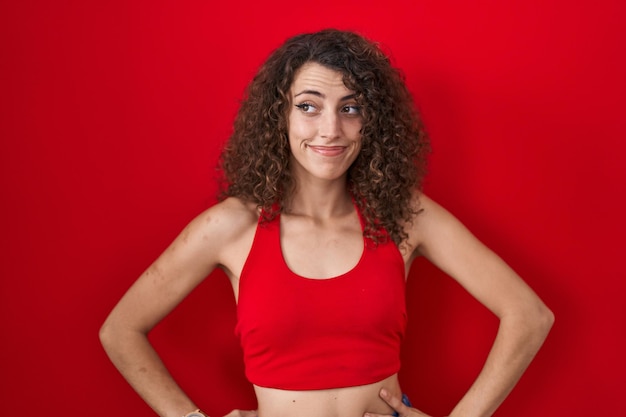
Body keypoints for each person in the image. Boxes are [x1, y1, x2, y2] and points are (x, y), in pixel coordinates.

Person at [99, 29, 554, 417]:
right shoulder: (231, 225)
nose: (330, 129)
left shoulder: (403, 216)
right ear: (281, 115)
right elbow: (120, 330)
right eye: (309, 106)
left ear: (370, 121)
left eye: (350, 108)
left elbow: (529, 314)